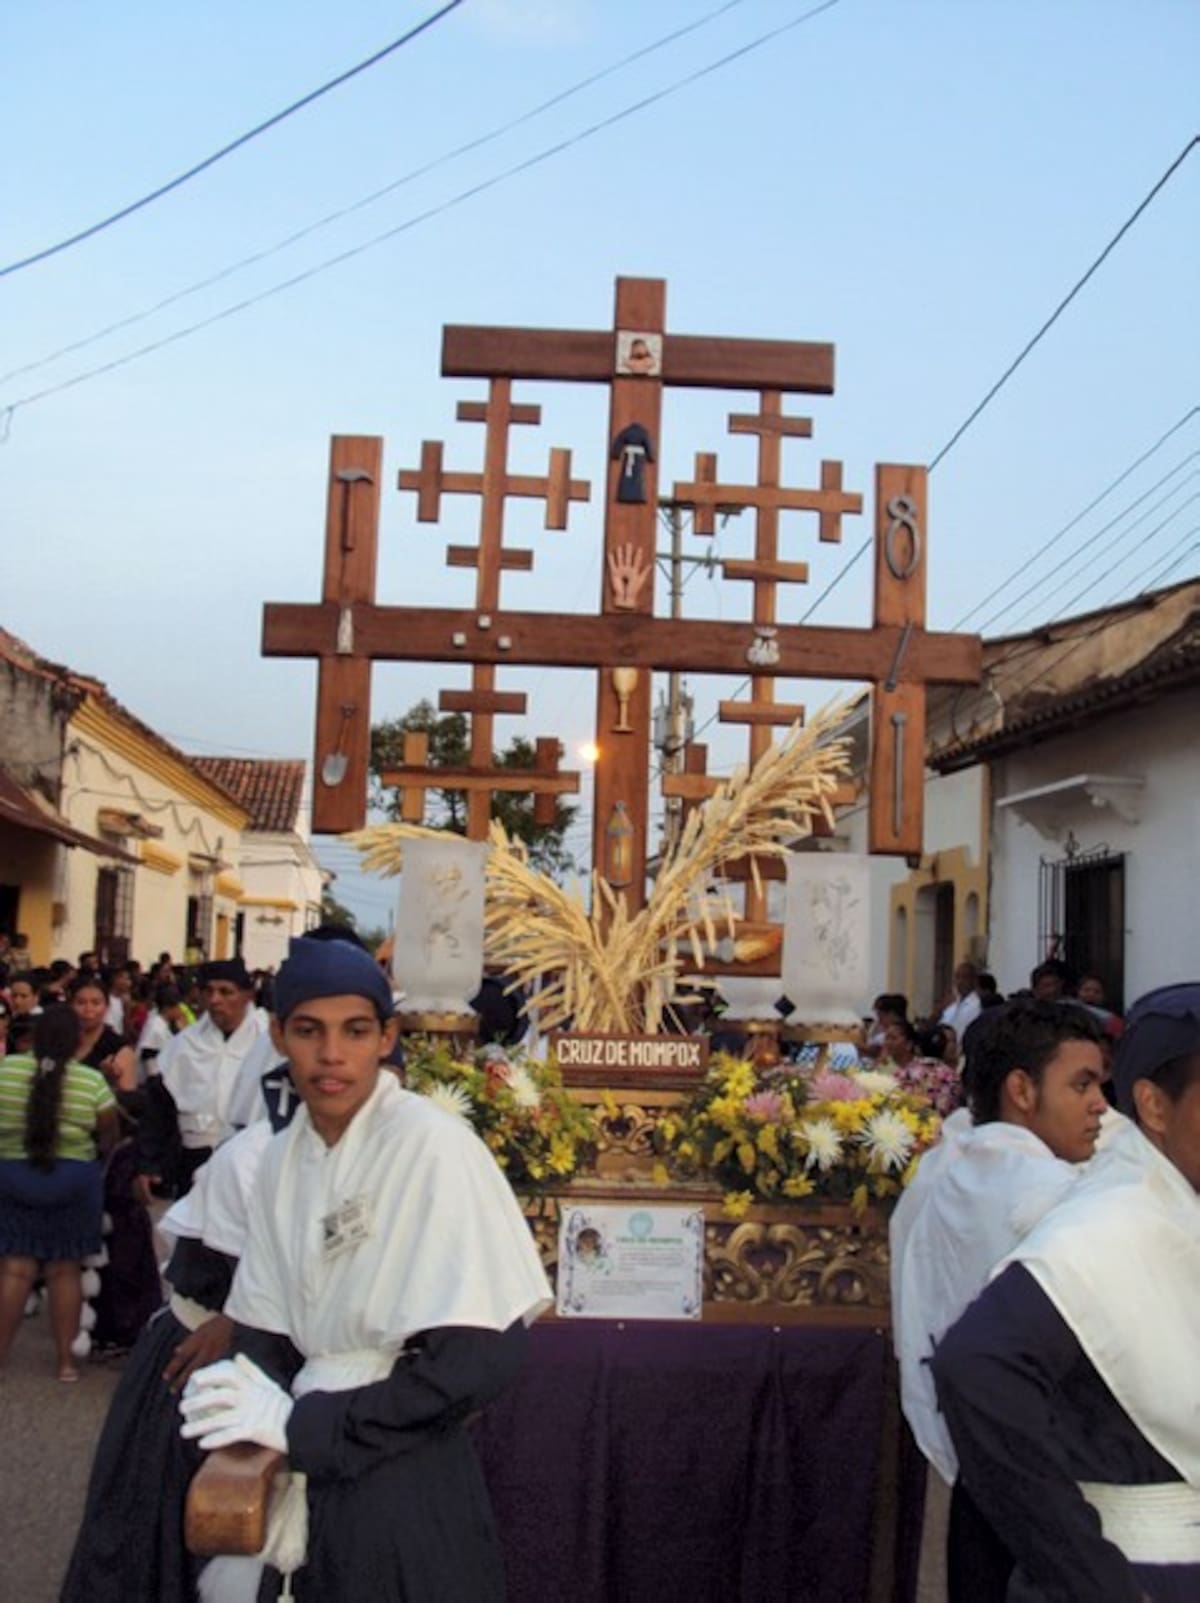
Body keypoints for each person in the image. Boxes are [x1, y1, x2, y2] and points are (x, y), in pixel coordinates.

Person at [180, 935, 551, 1601]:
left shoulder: (433, 1148)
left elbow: (481, 1360)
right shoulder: (279, 1157)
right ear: (277, 1035)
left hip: (405, 1472)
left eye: (354, 1031)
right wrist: (245, 1409)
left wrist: (305, 1427)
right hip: (303, 1452)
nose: (331, 1055)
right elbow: (266, 1326)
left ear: (387, 1037)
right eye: (308, 1031)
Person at [932, 984, 1200, 1601]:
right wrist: (1084, 1572)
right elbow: (977, 1366)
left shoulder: (1171, 1211)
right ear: (1155, 1108)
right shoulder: (1110, 1222)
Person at [890, 999, 1109, 1602]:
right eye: (1082, 1084)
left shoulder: (939, 1170)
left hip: (968, 1466)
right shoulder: (1061, 1196)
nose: (1099, 1106)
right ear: (1022, 1089)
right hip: (1051, 1473)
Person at [62, 1068, 299, 1603]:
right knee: (164, 1534)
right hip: (208, 1358)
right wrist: (235, 1319)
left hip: (271, 1355)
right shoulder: (257, 1154)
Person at [0, 1006, 120, 1380]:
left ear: (33, 1036)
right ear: (76, 1040)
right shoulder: (91, 1082)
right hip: (73, 1181)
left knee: (15, 1270)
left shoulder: (6, 1070)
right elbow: (109, 1135)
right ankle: (66, 1363)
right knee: (64, 1270)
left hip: (13, 1175)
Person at [137, 959, 266, 1199]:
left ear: (247, 995)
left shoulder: (269, 1041)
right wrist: (148, 1162)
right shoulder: (185, 1045)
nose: (215, 1000)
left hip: (253, 1162)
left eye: (226, 992)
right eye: (209, 991)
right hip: (195, 1158)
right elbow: (159, 1108)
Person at [70, 974, 137, 1094]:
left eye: (96, 1003)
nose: (88, 1009)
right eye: (81, 1003)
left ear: (106, 1007)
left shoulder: (119, 1049)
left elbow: (129, 1101)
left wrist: (112, 1082)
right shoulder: (60, 1041)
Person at [940, 961, 982, 1035]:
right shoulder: (951, 1006)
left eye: (964, 977)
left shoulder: (978, 1005)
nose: (960, 981)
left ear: (974, 980)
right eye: (957, 977)